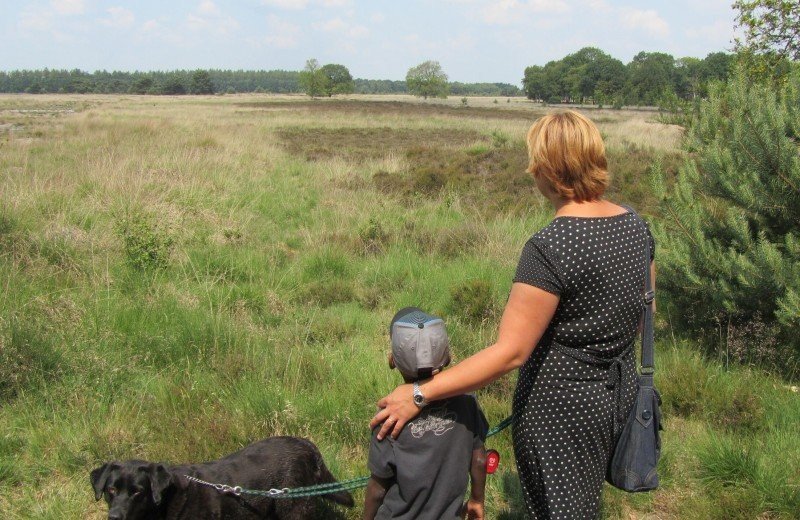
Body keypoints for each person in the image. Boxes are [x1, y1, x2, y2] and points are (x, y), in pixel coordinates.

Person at [370, 110, 656, 519]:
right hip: (618, 395)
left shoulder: (550, 247)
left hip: (561, 409)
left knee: (559, 511)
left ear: (544, 170)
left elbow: (510, 353)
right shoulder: (636, 225)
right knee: (585, 503)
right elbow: (645, 313)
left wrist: (419, 394)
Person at [363, 307, 489, 520]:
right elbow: (479, 460)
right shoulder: (467, 401)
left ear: (392, 361)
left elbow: (378, 489)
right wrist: (477, 499)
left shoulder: (389, 416)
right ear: (447, 358)